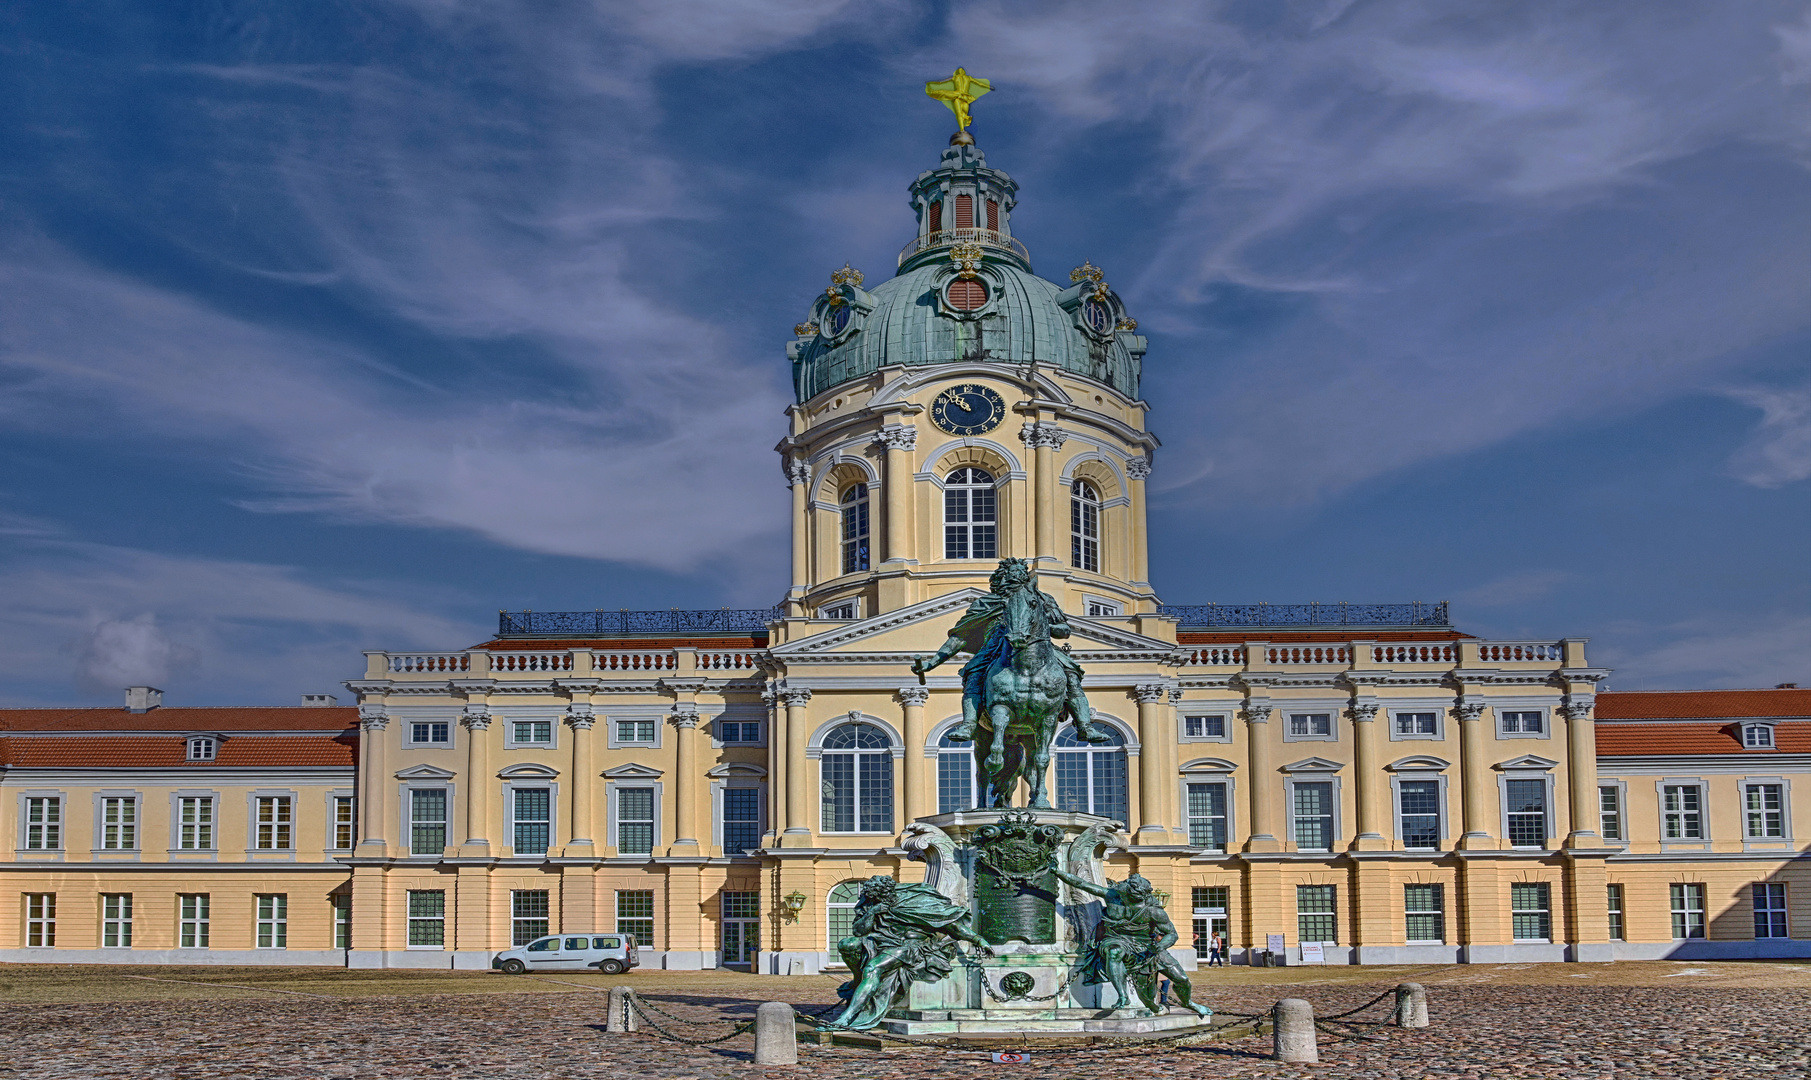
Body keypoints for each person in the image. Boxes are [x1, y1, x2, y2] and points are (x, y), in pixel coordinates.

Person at [913, 558, 1110, 747]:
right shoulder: (987, 603)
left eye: (1020, 572)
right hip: (995, 646)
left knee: (1071, 673)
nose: (1016, 576)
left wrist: (1039, 626)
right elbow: (960, 637)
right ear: (1001, 578)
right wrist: (932, 663)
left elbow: (1064, 630)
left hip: (1039, 646)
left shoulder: (1043, 599)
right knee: (973, 673)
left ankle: (1084, 726)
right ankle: (969, 724)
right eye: (1010, 573)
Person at [819, 875, 995, 1031]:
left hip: (908, 945)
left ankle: (848, 1016)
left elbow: (953, 926)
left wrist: (979, 940)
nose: (875, 901)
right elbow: (858, 931)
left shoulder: (915, 901)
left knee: (873, 968)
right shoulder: (872, 903)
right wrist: (872, 912)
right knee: (847, 944)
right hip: (880, 941)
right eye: (873, 899)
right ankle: (859, 985)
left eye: (879, 898)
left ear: (888, 893)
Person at [1048, 864, 1211, 1019]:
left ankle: (1188, 1002)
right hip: (1117, 940)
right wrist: (1057, 872)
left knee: (1181, 980)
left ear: (1132, 893)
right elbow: (1081, 884)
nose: (1121, 883)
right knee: (1114, 952)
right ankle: (1122, 996)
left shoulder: (1152, 911)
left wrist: (1159, 946)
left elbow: (1172, 934)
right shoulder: (1112, 896)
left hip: (1146, 945)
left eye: (1125, 883)